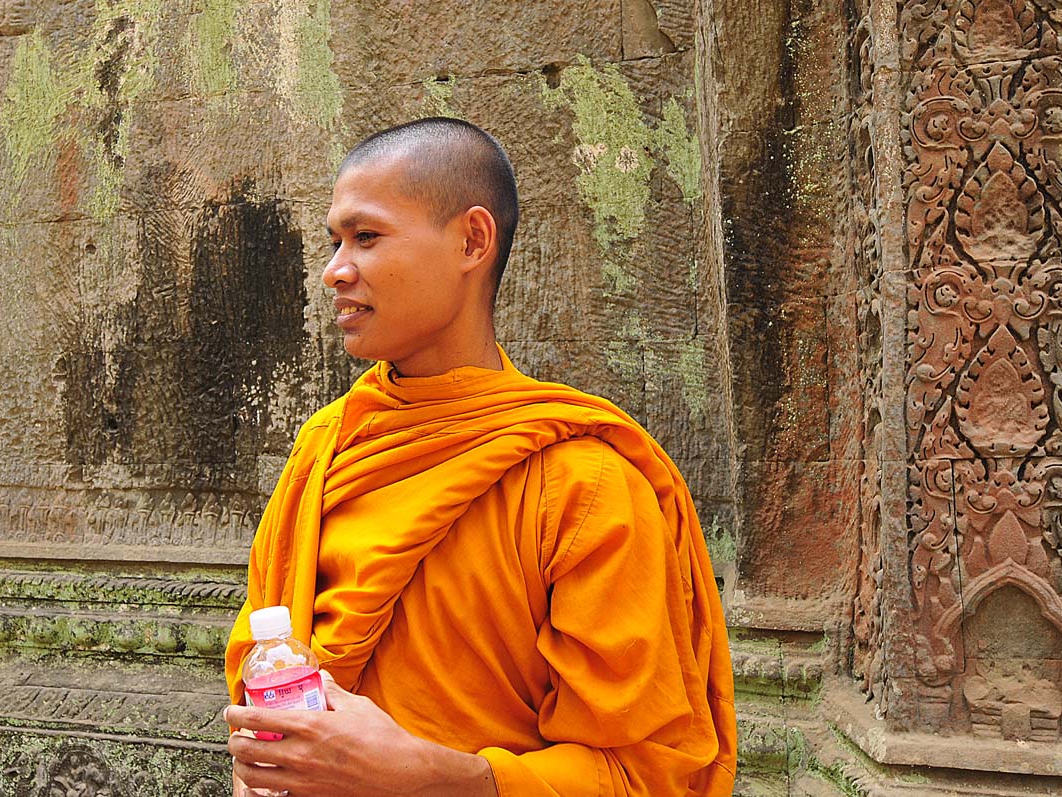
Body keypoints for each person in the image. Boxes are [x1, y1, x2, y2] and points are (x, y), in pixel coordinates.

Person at [223, 117, 737, 796]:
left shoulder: (584, 485)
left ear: (472, 240)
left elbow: (647, 774)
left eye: (367, 236)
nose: (334, 271)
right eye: (335, 241)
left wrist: (436, 777)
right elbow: (264, 691)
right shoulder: (326, 451)